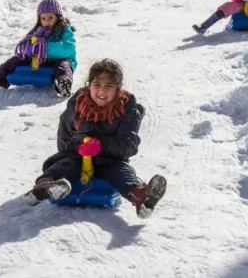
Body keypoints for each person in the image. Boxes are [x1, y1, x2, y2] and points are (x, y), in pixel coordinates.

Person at [22, 59, 167, 219]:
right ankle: (45, 187)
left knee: (121, 172)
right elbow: (64, 132)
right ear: (89, 84)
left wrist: (101, 145)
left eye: (109, 86)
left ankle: (141, 196)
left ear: (118, 88)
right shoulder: (77, 104)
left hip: (110, 158)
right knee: (65, 165)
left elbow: (129, 144)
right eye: (97, 84)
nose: (102, 91)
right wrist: (67, 153)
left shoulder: (128, 109)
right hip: (78, 155)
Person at [0, 0, 77, 97]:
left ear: (58, 17)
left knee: (63, 65)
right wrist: (31, 50)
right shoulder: (38, 31)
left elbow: (68, 48)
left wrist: (44, 49)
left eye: (50, 18)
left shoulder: (64, 29)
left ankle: (63, 84)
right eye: (43, 18)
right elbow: (28, 45)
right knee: (17, 59)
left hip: (60, 59)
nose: (47, 21)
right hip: (41, 60)